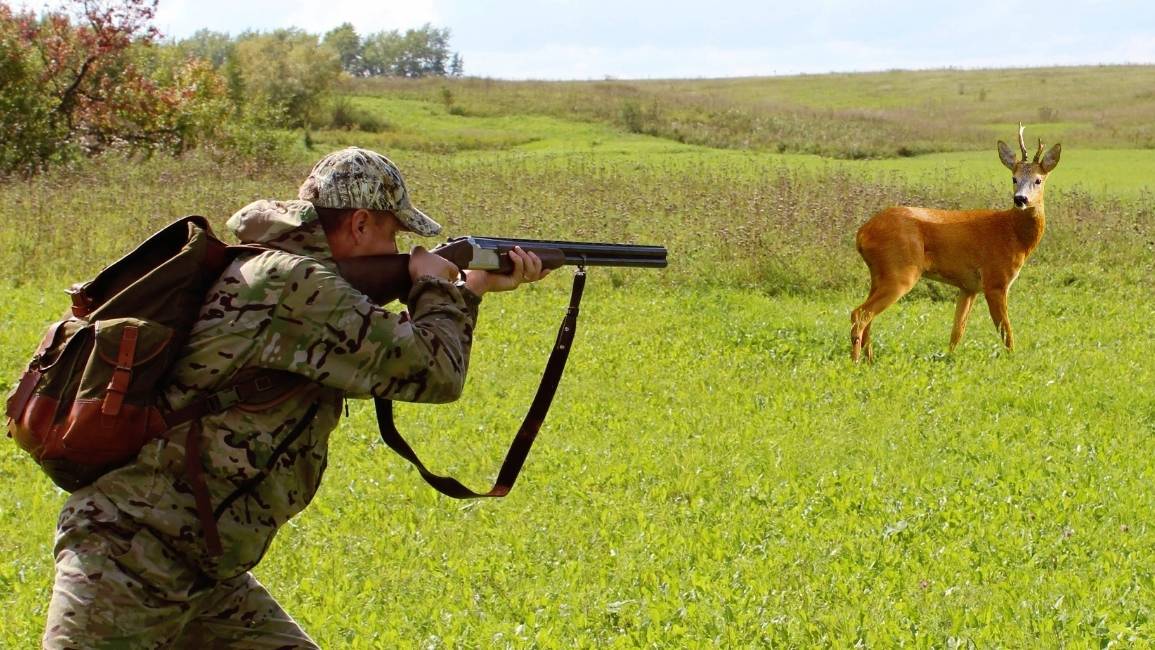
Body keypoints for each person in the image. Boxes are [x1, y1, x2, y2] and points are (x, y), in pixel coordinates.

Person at [42, 147, 549, 648]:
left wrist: (469, 289)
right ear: (360, 224)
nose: (401, 249)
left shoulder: (280, 271)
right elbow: (436, 373)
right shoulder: (294, 282)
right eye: (394, 234)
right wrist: (438, 286)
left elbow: (395, 358)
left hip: (201, 563)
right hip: (131, 555)